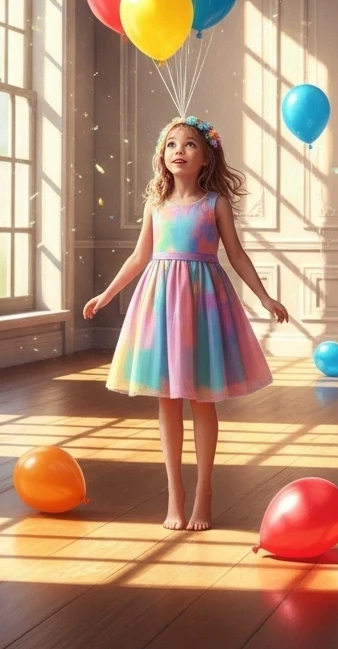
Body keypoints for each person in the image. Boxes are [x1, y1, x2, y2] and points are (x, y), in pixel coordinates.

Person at [83, 116, 288, 532]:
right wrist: (107, 294)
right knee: (167, 399)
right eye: (172, 143)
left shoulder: (215, 204)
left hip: (203, 306)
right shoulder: (155, 205)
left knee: (203, 398)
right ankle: (174, 493)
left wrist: (265, 297)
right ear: (162, 155)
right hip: (161, 305)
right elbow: (140, 258)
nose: (179, 149)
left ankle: (203, 492)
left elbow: (237, 255)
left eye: (190, 144)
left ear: (206, 156)